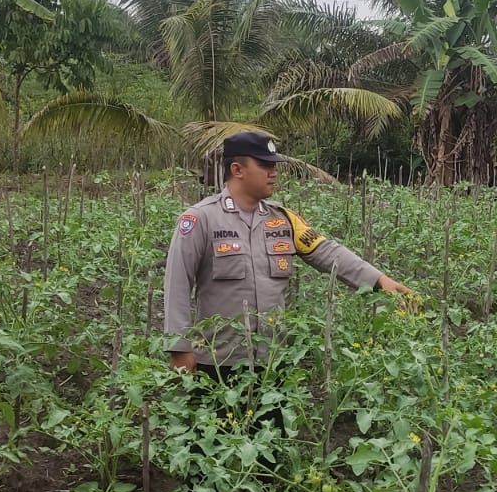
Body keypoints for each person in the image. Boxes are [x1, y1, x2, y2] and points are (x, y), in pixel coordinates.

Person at [163, 131, 414, 378]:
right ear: (237, 170)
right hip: (219, 362)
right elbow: (177, 285)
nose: (273, 172)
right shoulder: (200, 219)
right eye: (264, 164)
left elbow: (327, 252)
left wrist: (379, 281)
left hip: (273, 360)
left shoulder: (283, 220)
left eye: (274, 165)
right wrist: (179, 349)